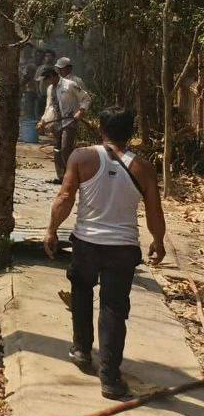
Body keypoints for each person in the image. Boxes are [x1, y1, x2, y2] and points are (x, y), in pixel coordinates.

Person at [45, 107, 166, 400]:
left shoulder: (81, 157)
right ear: (131, 134)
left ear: (101, 129)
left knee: (82, 291)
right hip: (122, 249)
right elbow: (154, 211)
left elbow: (65, 196)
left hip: (86, 243)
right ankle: (110, 379)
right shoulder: (144, 168)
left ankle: (81, 350)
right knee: (114, 308)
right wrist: (158, 241)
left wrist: (51, 230)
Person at [41, 59, 91, 182]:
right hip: (56, 123)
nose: (46, 82)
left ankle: (72, 177)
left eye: (47, 79)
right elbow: (49, 106)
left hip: (70, 121)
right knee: (57, 149)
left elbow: (86, 98)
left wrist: (81, 111)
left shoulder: (70, 84)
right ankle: (61, 177)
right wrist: (43, 120)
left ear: (52, 76)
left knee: (65, 149)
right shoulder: (50, 89)